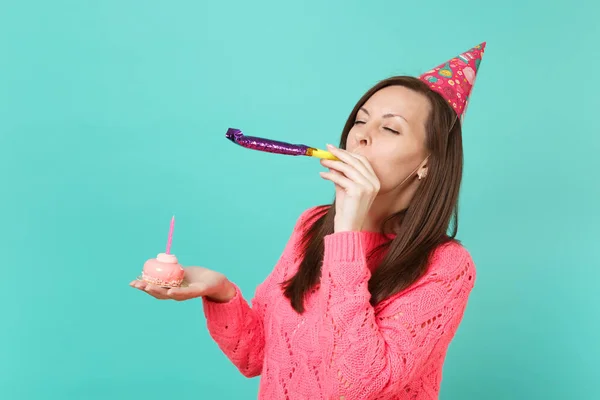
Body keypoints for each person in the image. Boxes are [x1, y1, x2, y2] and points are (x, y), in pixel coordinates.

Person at [130, 42, 487, 399]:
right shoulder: (313, 225)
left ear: (428, 162)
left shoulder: (446, 266)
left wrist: (348, 232)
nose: (361, 135)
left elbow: (357, 384)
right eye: (360, 120)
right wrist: (221, 291)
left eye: (390, 129)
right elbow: (257, 357)